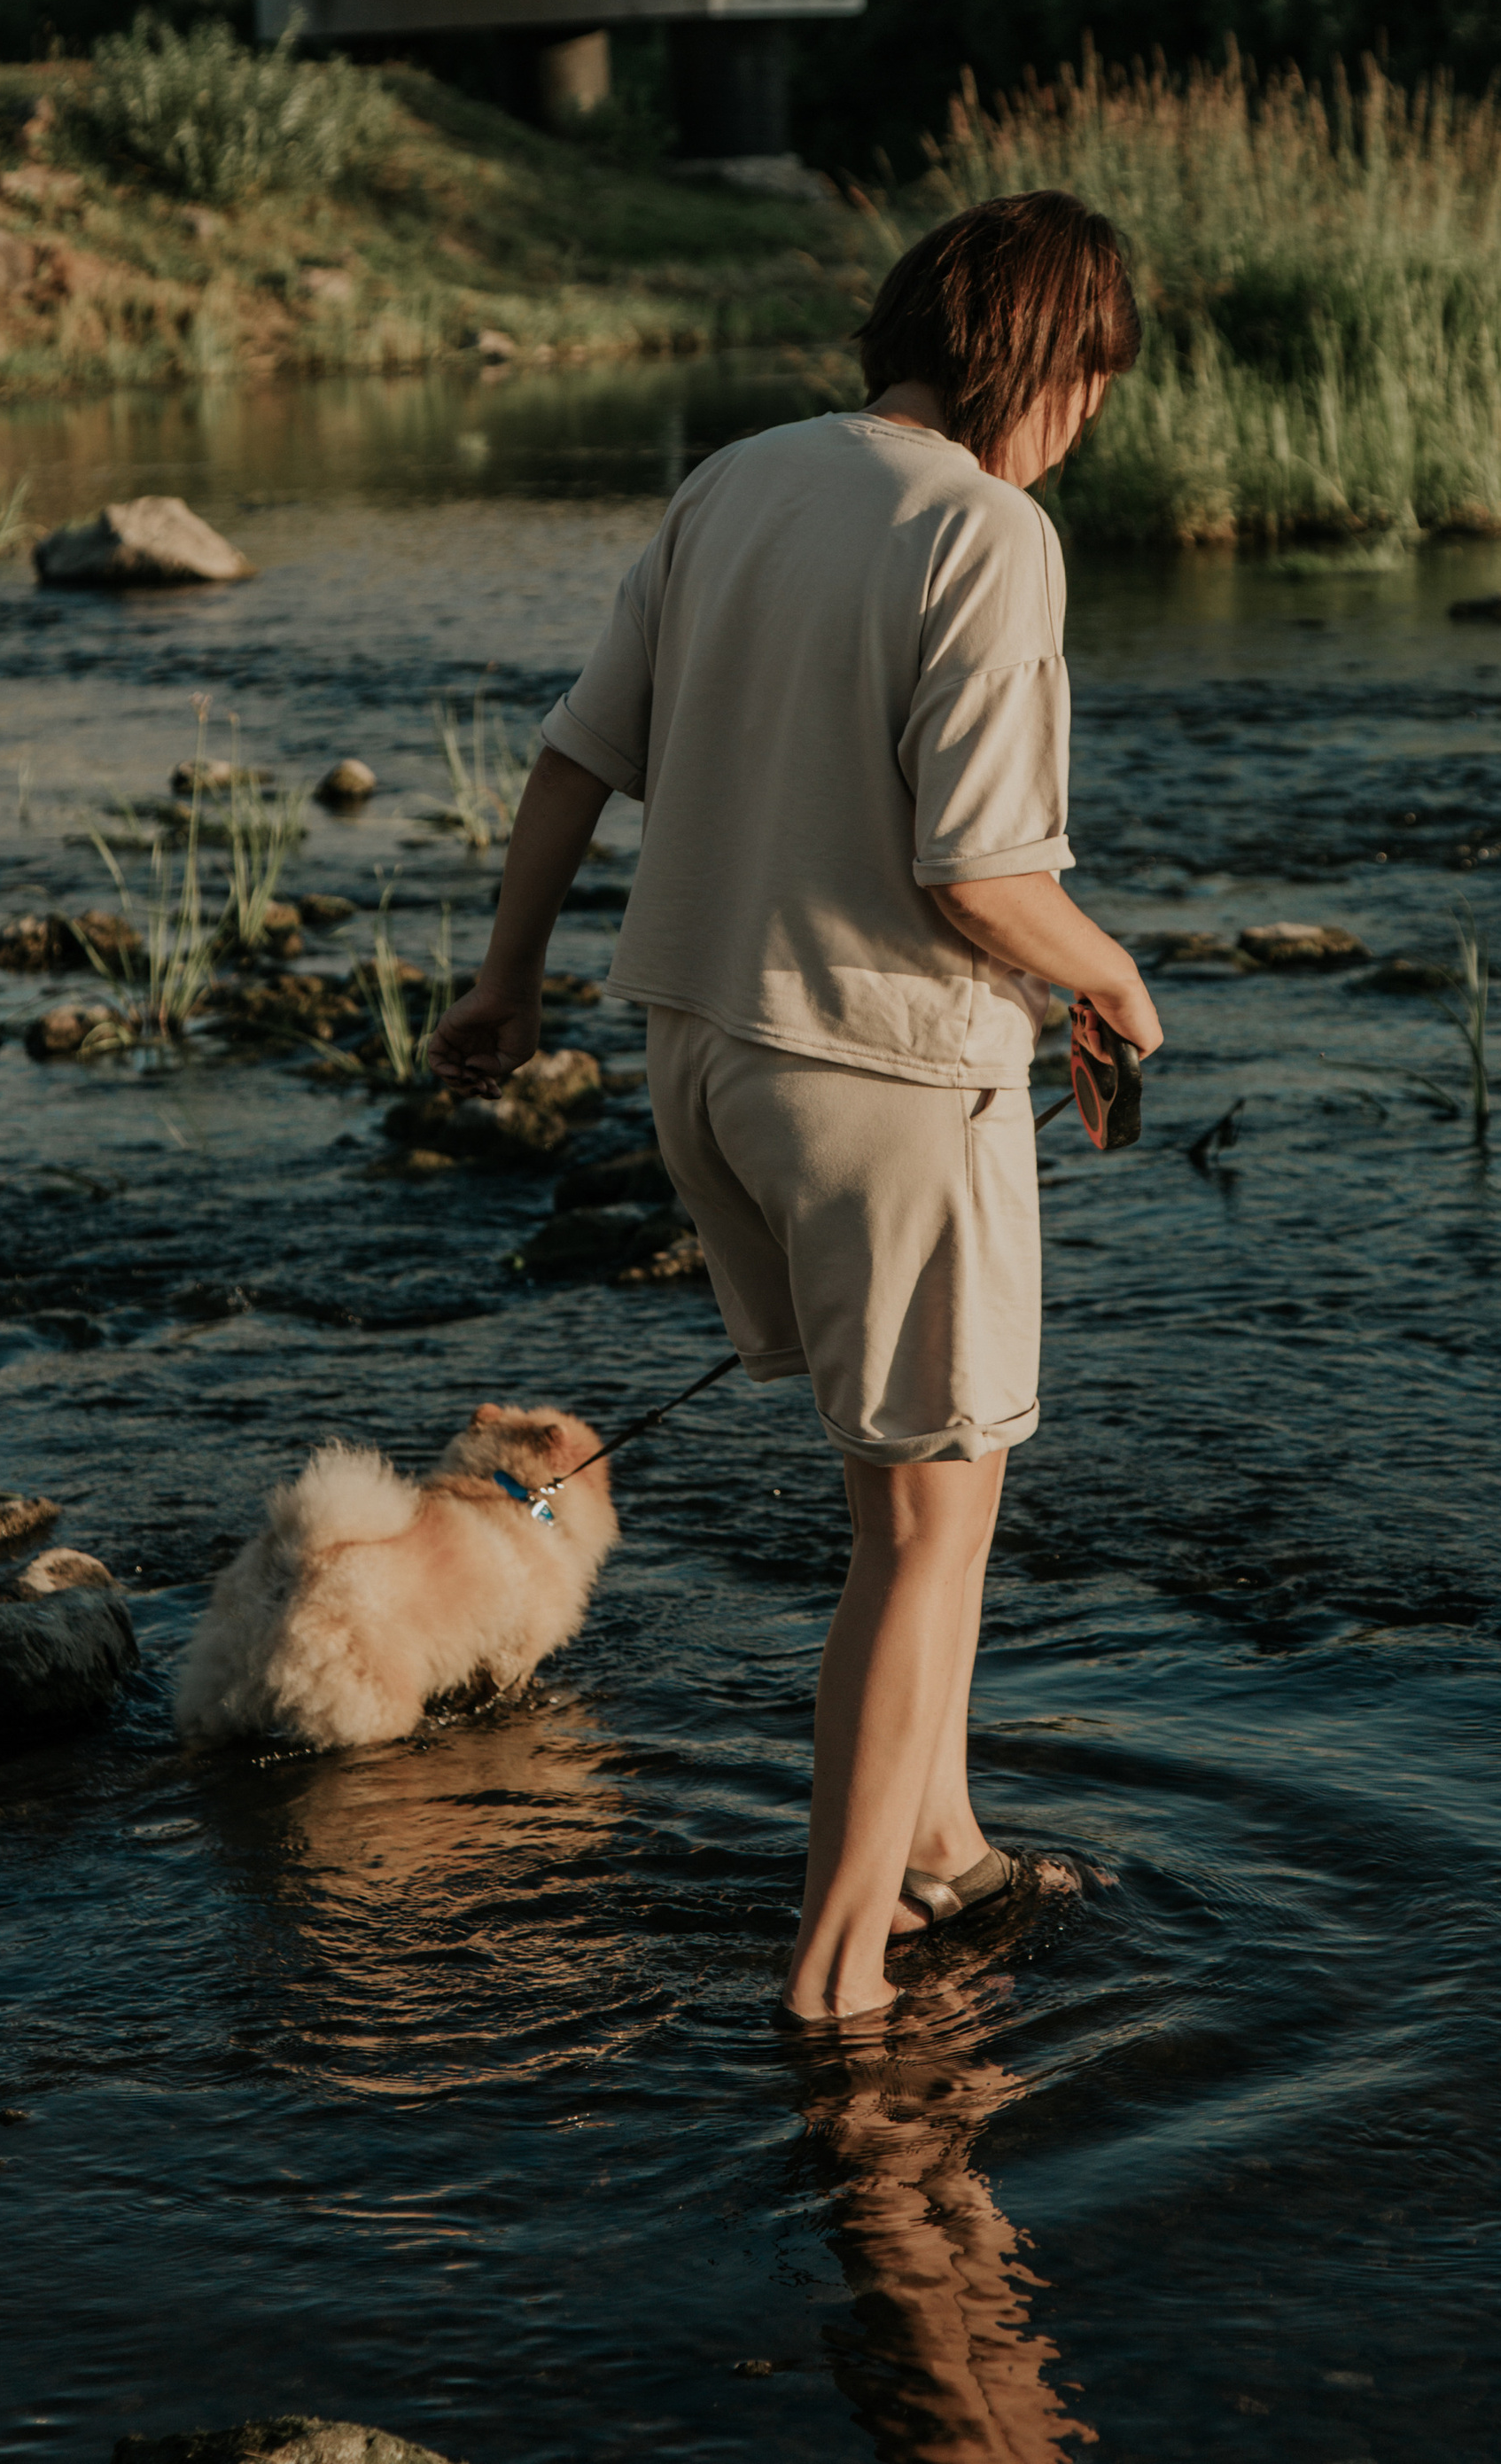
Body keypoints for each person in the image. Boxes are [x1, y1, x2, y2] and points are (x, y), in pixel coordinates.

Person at [428, 190, 1163, 2026]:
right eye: (1088, 382)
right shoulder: (988, 535)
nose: (1083, 426)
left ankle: (939, 1847)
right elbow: (979, 876)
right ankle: (839, 1982)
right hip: (884, 1073)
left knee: (917, 1504)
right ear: (1042, 367)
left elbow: (580, 750)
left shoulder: (739, 480)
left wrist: (503, 986)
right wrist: (1114, 977)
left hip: (707, 1061)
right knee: (925, 1534)